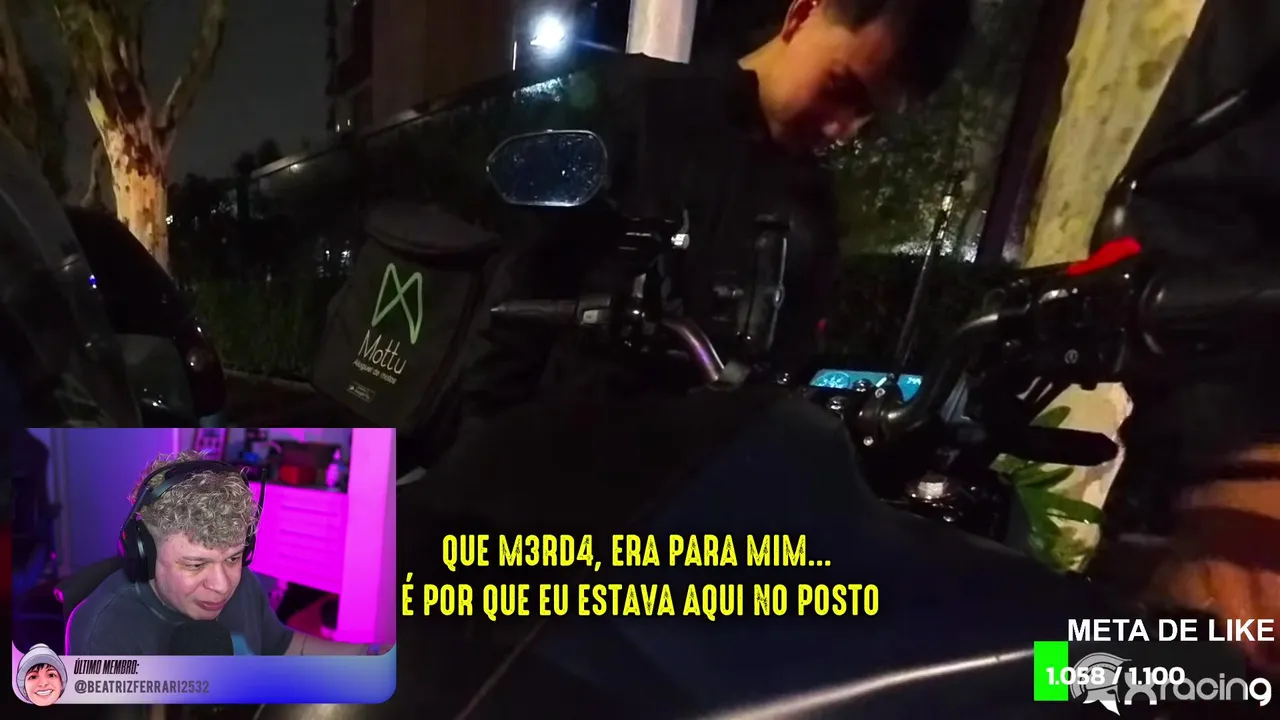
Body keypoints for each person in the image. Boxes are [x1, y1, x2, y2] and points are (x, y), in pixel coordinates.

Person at [452, 0, 974, 434]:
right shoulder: (639, 109)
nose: (842, 129)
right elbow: (515, 310)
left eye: (866, 117)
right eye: (841, 88)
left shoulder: (814, 211)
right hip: (552, 474)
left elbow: (785, 373)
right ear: (802, 13)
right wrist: (478, 462)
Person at [66, 451, 385, 656]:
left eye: (233, 557)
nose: (222, 585)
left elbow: (283, 645)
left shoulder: (244, 584)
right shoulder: (102, 633)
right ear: (143, 554)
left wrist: (371, 657)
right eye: (195, 564)